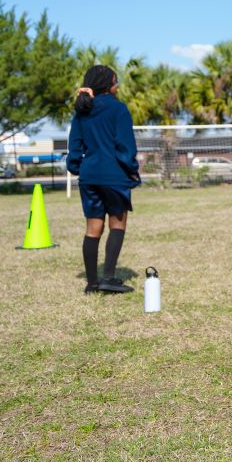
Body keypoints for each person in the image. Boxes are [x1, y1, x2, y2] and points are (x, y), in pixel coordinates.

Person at [66, 65, 141, 294]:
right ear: (108, 84)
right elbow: (125, 146)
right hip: (114, 175)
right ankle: (108, 277)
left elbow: (74, 147)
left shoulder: (82, 110)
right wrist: (132, 168)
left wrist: (78, 168)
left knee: (93, 228)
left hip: (89, 176)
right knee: (117, 224)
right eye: (116, 81)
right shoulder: (119, 109)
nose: (117, 85)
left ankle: (91, 284)